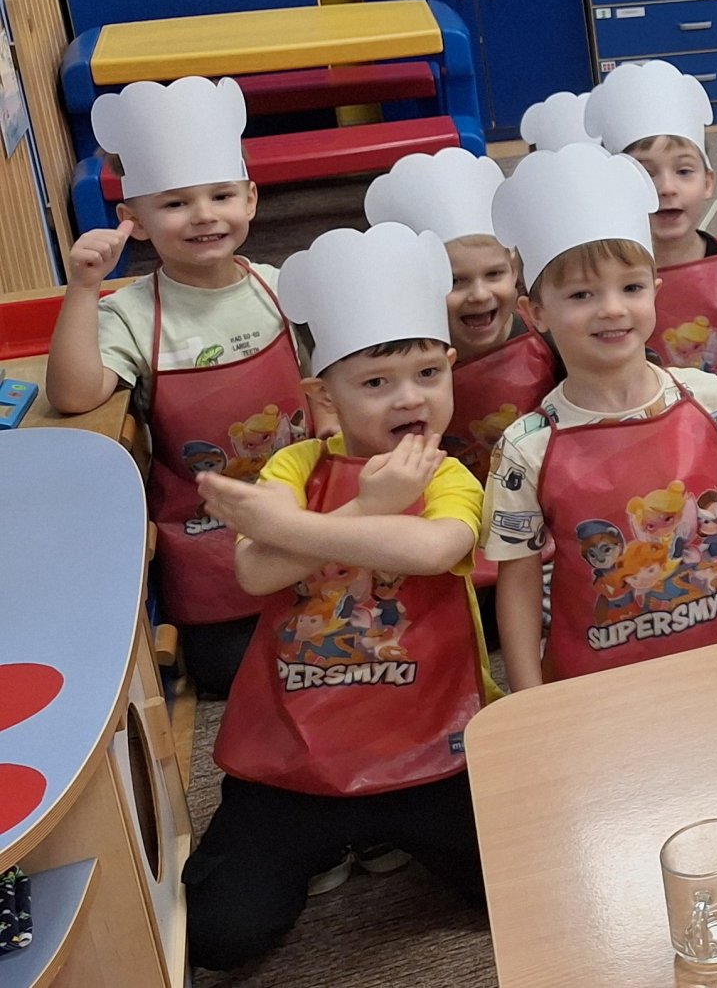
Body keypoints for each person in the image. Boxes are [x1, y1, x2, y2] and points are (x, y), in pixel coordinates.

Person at [184, 224, 490, 970]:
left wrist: (292, 529)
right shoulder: (294, 463)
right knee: (220, 934)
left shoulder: (451, 473)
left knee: (516, 884)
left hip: (430, 747)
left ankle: (386, 832)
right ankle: (340, 837)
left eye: (427, 372)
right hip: (296, 755)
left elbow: (435, 549)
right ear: (323, 394)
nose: (410, 397)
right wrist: (366, 507)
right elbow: (255, 574)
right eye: (376, 382)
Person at [480, 144, 717, 688]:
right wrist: (528, 696)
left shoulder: (708, 400)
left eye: (631, 287)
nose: (612, 308)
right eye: (581, 294)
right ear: (536, 313)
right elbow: (520, 578)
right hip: (597, 681)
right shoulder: (525, 447)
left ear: (655, 290)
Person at [46, 76, 310, 699]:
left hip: (302, 513)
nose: (204, 215)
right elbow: (74, 395)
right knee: (230, 677)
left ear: (250, 199)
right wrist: (83, 288)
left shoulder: (283, 287)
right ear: (133, 221)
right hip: (205, 537)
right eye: (175, 204)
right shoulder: (132, 314)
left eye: (221, 195)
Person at [365, 148, 560, 637]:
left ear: (515, 270)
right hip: (449, 533)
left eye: (493, 274)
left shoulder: (549, 341)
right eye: (455, 281)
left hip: (544, 533)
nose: (479, 294)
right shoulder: (407, 362)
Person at [587, 59, 717, 404]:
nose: (666, 188)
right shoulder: (598, 277)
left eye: (684, 171)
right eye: (646, 173)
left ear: (708, 182)